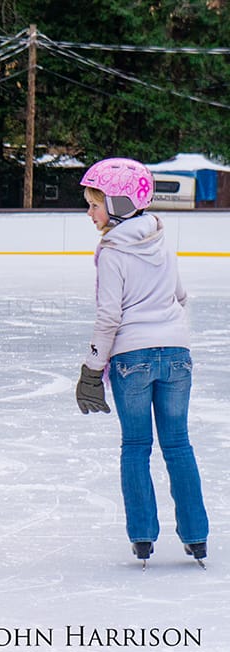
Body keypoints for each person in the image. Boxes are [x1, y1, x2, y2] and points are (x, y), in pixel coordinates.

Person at [75, 157, 209, 567]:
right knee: (178, 445)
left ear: (116, 204)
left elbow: (109, 317)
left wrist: (92, 369)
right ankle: (196, 537)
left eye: (94, 203)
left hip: (131, 358)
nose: (90, 211)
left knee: (136, 446)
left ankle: (143, 538)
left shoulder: (112, 251)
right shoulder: (161, 241)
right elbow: (181, 297)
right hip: (177, 356)